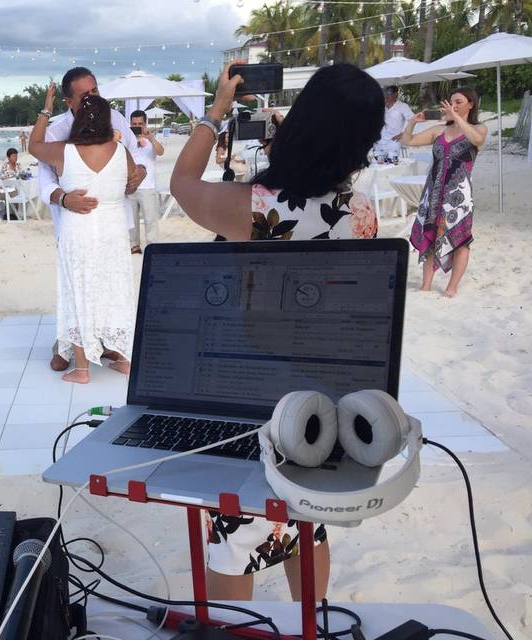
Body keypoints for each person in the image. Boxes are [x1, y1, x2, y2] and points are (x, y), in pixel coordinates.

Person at [171, 61, 385, 601]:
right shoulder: (361, 213)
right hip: (324, 394)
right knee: (305, 518)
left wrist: (217, 112)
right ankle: (310, 620)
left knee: (234, 534)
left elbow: (181, 184)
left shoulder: (258, 208)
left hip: (253, 391)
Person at [39, 66, 147, 372]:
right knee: (77, 284)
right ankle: (68, 347)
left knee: (109, 283)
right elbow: (44, 180)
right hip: (73, 222)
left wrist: (140, 173)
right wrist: (63, 197)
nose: (93, 98)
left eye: (95, 91)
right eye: (85, 94)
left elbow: (136, 159)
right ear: (68, 101)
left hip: (111, 220)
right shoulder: (57, 130)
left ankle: (108, 345)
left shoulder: (116, 120)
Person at [401, 87, 486, 298]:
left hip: (458, 194)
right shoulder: (439, 130)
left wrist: (457, 117)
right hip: (434, 191)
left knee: (461, 239)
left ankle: (452, 287)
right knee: (430, 234)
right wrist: (412, 121)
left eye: (458, 102)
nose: (452, 105)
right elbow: (408, 141)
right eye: (451, 102)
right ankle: (426, 284)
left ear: (471, 104)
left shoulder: (479, 128)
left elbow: (476, 140)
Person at [127, 109, 165, 253]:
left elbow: (161, 152)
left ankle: (153, 247)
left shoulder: (151, 140)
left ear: (145, 123)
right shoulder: (127, 139)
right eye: (134, 123)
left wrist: (151, 138)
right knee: (131, 221)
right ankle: (134, 245)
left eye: (140, 123)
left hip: (147, 186)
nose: (137, 126)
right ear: (130, 123)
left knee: (150, 220)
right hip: (130, 186)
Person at [375, 85, 414, 161]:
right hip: (380, 141)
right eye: (384, 93)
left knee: (392, 165)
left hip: (394, 141)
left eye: (388, 93)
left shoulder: (403, 106)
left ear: (396, 94)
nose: (386, 96)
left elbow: (412, 120)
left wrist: (403, 134)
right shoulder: (381, 106)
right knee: (378, 164)